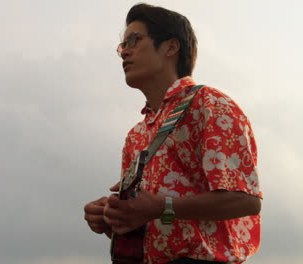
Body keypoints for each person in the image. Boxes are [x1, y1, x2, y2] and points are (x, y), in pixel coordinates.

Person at [84, 3, 262, 264]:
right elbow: (142, 223)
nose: (124, 52)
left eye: (135, 40)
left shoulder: (210, 104)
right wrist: (114, 217)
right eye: (122, 45)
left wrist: (162, 207)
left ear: (170, 47)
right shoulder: (136, 135)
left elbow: (245, 200)